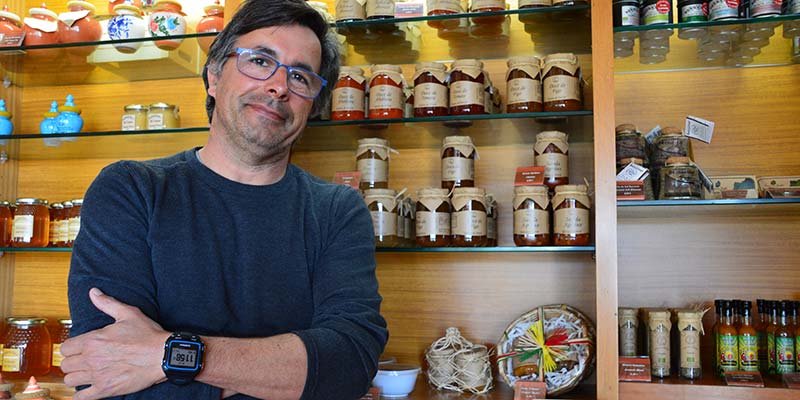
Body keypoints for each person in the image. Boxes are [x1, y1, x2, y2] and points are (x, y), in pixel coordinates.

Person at [60, 1, 388, 399]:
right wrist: (287, 371)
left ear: (313, 105)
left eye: (300, 77)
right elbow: (102, 370)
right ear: (214, 75)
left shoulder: (338, 210)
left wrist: (169, 355)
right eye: (260, 61)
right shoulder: (131, 189)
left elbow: (349, 365)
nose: (279, 86)